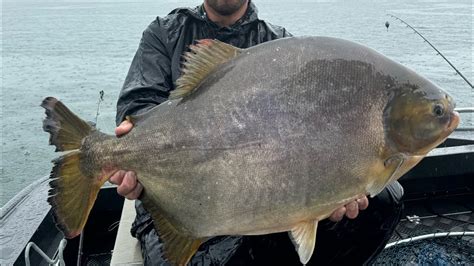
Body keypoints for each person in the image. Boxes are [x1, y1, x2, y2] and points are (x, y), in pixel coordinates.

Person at [111, 0, 404, 264]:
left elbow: (311, 132)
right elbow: (138, 107)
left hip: (262, 201)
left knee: (384, 197)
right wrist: (129, 148)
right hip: (179, 202)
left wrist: (340, 186)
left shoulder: (281, 46)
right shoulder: (164, 34)